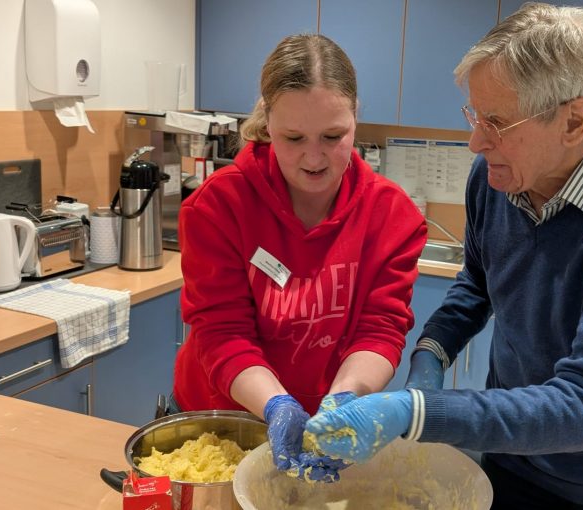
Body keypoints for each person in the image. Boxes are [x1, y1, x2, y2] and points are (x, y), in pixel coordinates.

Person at [306, 3, 583, 508]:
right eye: (474, 114)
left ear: (574, 121)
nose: (475, 141)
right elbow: (478, 283)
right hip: (516, 455)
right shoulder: (496, 177)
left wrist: (419, 411)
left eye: (495, 121)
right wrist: (432, 350)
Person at [172, 34, 427, 482]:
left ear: (355, 118)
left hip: (325, 427)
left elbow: (381, 328)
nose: (314, 157)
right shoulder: (218, 207)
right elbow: (222, 330)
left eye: (333, 136)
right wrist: (275, 403)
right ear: (268, 122)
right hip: (225, 424)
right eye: (294, 138)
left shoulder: (392, 216)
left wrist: (345, 398)